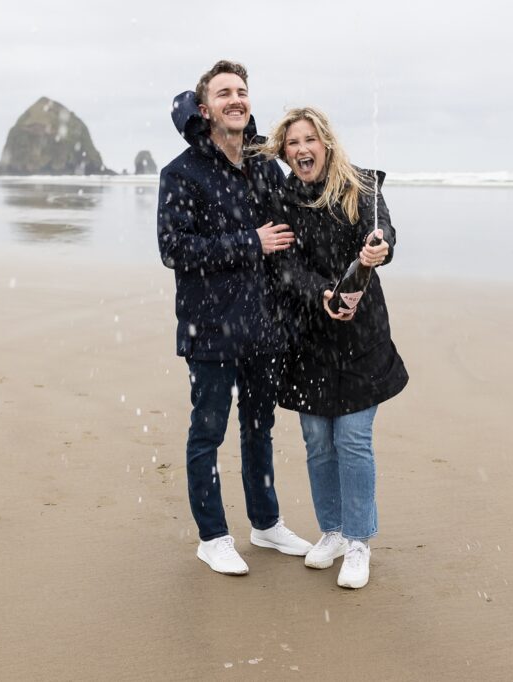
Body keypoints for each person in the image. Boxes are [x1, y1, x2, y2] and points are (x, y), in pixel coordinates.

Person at [156, 60, 313, 576]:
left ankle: (265, 525)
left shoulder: (266, 165)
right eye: (224, 92)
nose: (236, 99)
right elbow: (173, 248)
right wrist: (250, 242)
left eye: (242, 91)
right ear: (205, 109)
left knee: (259, 429)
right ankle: (213, 535)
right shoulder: (181, 173)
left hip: (264, 325)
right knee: (208, 433)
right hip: (210, 326)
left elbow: (296, 223)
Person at [255, 107, 408, 589]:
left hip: (362, 335)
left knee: (353, 440)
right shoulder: (281, 198)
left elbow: (384, 237)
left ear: (326, 143)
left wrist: (377, 250)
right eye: (293, 143)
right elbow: (282, 267)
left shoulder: (362, 187)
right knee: (318, 442)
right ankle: (334, 532)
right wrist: (321, 292)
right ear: (285, 152)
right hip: (308, 335)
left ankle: (360, 542)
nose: (302, 149)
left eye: (310, 139)